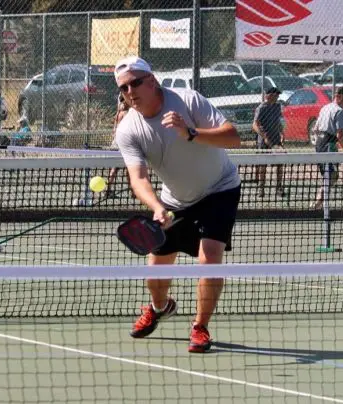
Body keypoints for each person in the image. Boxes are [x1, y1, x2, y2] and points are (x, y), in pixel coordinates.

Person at [113, 56, 242, 353]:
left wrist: (191, 133)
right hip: (173, 201)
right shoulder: (128, 130)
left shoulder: (188, 100)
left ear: (153, 80)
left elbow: (234, 138)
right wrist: (157, 207)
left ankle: (200, 327)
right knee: (156, 275)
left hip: (220, 189)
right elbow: (139, 178)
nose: (130, 91)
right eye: (124, 87)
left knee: (208, 260)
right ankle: (161, 307)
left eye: (136, 82)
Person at [312, 86, 343, 209]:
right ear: (338, 96)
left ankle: (319, 203)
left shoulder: (325, 108)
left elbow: (315, 129)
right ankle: (318, 203)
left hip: (319, 144)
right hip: (329, 145)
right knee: (332, 175)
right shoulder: (339, 111)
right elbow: (340, 134)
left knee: (329, 175)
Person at [252, 87, 286, 198]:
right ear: (268, 96)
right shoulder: (261, 108)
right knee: (263, 164)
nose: (277, 97)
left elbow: (278, 122)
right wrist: (263, 136)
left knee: (280, 163)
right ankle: (261, 188)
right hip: (264, 141)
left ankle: (279, 187)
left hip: (276, 139)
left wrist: (282, 133)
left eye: (278, 95)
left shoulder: (277, 107)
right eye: (275, 95)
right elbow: (255, 125)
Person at [105, 95, 131, 199]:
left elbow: (114, 129)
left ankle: (108, 189)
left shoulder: (119, 113)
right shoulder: (126, 113)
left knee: (116, 168)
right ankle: (133, 192)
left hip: (116, 143)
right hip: (121, 144)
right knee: (129, 167)